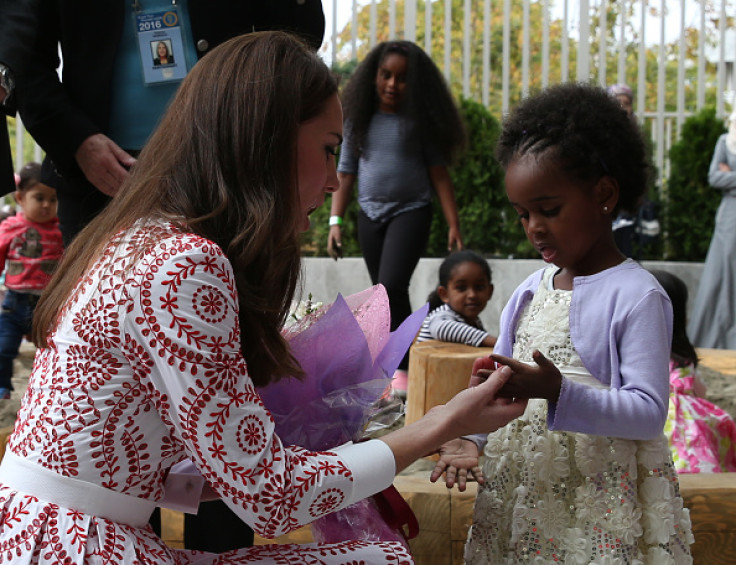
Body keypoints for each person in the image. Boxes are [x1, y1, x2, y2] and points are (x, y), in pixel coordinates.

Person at [0, 32, 527, 564]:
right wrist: (443, 423)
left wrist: (262, 463)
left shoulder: (137, 239)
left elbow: (121, 457)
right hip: (74, 546)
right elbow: (271, 500)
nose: (330, 181)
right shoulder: (187, 264)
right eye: (327, 148)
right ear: (267, 141)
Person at [432, 83, 693, 563]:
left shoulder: (637, 296)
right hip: (526, 496)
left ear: (605, 194)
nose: (534, 226)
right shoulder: (530, 290)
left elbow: (649, 411)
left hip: (594, 509)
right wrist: (471, 437)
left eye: (549, 210)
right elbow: (500, 387)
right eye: (523, 214)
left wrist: (558, 392)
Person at [15, 1, 326, 245]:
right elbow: (22, 58)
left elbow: (301, 38)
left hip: (226, 173)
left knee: (230, 312)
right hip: (98, 180)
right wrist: (77, 140)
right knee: (104, 318)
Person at [327, 40, 466, 392]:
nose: (392, 84)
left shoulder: (418, 123)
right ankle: (404, 360)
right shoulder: (358, 119)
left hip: (411, 211)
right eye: (385, 75)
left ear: (414, 84)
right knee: (386, 294)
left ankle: (401, 368)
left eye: (402, 78)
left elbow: (438, 174)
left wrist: (453, 223)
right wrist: (335, 221)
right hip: (370, 215)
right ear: (373, 76)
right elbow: (345, 173)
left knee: (391, 285)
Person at [651, 270, 736, 473]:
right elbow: (700, 391)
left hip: (653, 419)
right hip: (690, 431)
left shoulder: (631, 353)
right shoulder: (682, 356)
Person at [0, 162, 62, 400]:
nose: (46, 205)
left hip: (47, 304)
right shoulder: (10, 227)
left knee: (49, 349)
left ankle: (45, 388)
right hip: (14, 303)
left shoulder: (60, 230)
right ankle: (3, 387)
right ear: (20, 198)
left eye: (53, 199)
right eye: (39, 198)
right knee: (4, 349)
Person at [688, 111, 736, 350]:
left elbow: (724, 178)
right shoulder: (725, 141)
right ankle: (718, 337)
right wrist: (724, 176)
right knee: (724, 269)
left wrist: (732, 176)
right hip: (730, 215)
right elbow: (715, 177)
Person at [416, 250, 496, 348]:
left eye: (479, 287)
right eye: (461, 288)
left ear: (490, 291)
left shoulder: (474, 322)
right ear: (444, 294)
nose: (472, 295)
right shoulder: (441, 316)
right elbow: (444, 328)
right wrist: (498, 343)